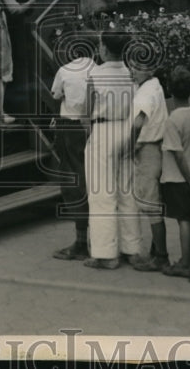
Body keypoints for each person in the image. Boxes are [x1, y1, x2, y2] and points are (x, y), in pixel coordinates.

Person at [83, 31, 140, 269]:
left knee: (102, 194)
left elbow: (86, 113)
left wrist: (92, 135)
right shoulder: (131, 73)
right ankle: (132, 248)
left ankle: (107, 254)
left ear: (104, 49)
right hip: (126, 130)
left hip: (103, 130)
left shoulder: (94, 75)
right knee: (127, 191)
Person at [157, 66, 190, 279]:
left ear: (170, 90)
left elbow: (177, 154)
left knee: (183, 219)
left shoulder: (172, 120)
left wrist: (188, 179)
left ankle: (185, 262)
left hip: (177, 177)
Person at [49, 38, 96, 261]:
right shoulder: (96, 69)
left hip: (69, 126)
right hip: (91, 126)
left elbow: (56, 95)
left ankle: (80, 240)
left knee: (73, 179)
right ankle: (96, 238)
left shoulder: (65, 70)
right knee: (89, 177)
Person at [128, 62, 171, 272]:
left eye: (139, 67)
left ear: (152, 69)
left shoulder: (145, 92)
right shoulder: (154, 85)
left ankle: (161, 256)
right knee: (153, 200)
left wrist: (129, 145)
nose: (133, 70)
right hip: (157, 146)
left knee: (151, 202)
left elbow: (137, 123)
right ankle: (156, 251)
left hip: (148, 149)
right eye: (132, 66)